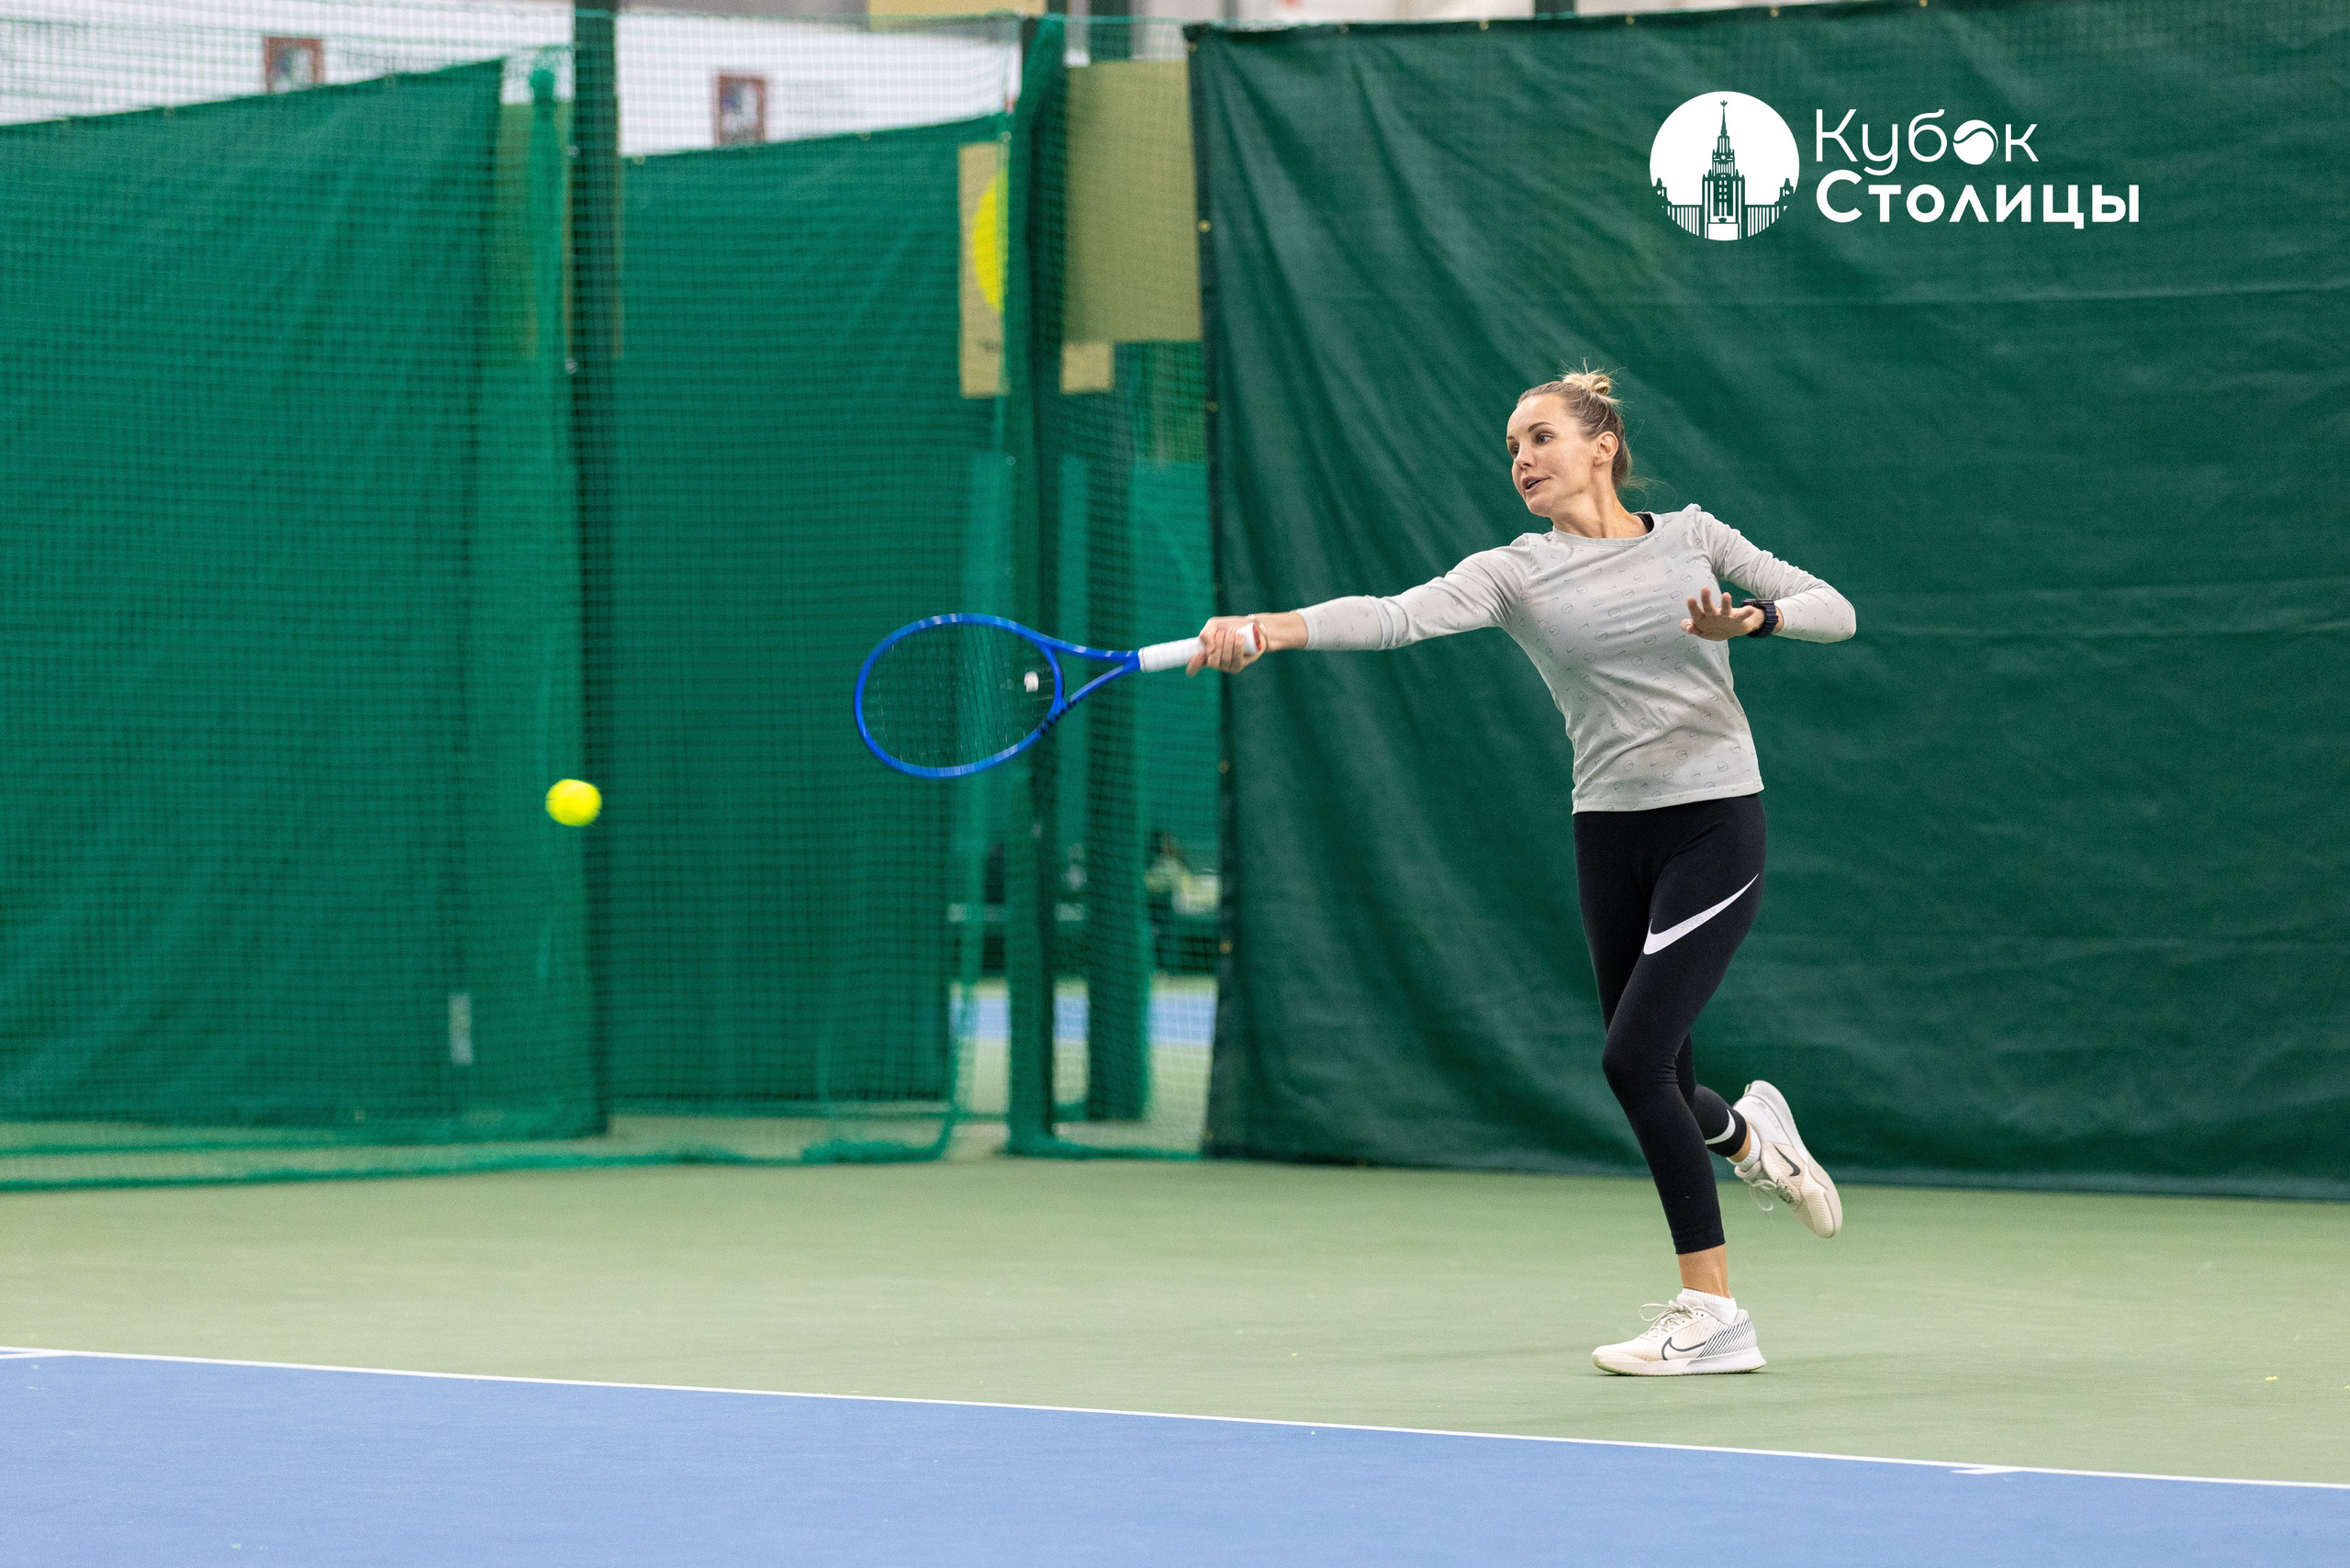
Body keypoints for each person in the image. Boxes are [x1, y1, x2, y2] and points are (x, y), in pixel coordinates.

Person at [1187, 370, 1853, 1376]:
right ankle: (1750, 1135)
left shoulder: (1695, 537)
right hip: (1608, 830)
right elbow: (1393, 614)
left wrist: (1752, 622)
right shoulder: (1513, 572)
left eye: (1540, 436)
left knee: (1629, 1062)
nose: (1522, 460)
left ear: (1602, 443)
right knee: (1665, 1071)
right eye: (1510, 448)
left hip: (1714, 822)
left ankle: (1713, 1313)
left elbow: (1831, 607)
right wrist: (1270, 629)